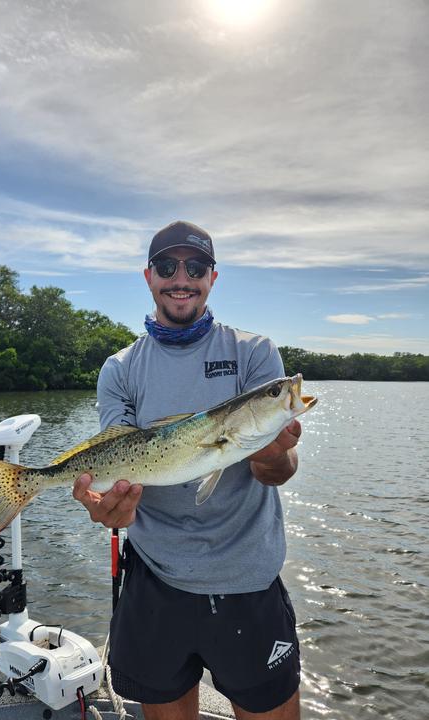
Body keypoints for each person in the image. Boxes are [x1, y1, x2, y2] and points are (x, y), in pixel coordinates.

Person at [73, 221, 302, 720]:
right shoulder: (119, 368)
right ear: (148, 276)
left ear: (213, 278)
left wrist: (270, 450)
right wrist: (107, 508)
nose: (182, 278)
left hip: (248, 578)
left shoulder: (254, 352)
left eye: (195, 267)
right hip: (155, 579)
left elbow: (277, 471)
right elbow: (117, 456)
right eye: (167, 266)